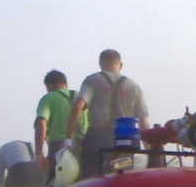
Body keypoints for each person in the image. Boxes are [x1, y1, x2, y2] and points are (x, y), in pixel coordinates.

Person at [64, 49, 150, 179]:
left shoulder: (92, 81)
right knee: (122, 181)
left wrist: (68, 139)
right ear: (120, 65)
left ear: (100, 64)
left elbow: (77, 107)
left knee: (91, 182)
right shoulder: (134, 87)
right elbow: (143, 122)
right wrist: (150, 151)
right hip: (125, 141)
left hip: (97, 138)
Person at [34, 70, 87, 184]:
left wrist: (39, 153)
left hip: (59, 148)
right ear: (65, 83)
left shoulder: (49, 98)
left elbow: (41, 123)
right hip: (85, 147)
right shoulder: (81, 97)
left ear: (49, 85)